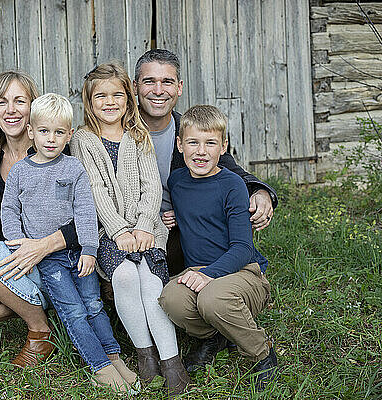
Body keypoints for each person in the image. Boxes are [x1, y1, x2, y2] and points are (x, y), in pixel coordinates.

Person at [1, 93, 136, 392]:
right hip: (47, 259)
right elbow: (9, 208)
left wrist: (89, 249)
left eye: (59, 132)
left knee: (94, 305)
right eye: (44, 131)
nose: (51, 139)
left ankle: (114, 357)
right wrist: (16, 240)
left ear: (69, 135)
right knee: (73, 310)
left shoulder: (74, 168)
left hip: (77, 253)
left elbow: (86, 211)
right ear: (31, 132)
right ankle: (99, 367)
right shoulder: (20, 172)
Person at [70, 62, 190, 397]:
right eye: (100, 96)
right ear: (89, 102)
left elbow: (152, 186)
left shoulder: (138, 135)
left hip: (149, 226)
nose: (109, 102)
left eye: (116, 95)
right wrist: (120, 229)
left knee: (150, 279)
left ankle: (171, 360)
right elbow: (94, 190)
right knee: (124, 277)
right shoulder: (84, 139)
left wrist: (142, 226)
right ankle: (145, 355)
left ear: (128, 97)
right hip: (108, 230)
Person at [158, 105, 277, 391]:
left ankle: (262, 353)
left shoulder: (233, 185)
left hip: (242, 271)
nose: (201, 151)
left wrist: (209, 274)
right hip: (200, 269)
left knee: (212, 299)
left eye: (210, 143)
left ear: (223, 146)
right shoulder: (177, 181)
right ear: (179, 145)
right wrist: (171, 216)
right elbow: (195, 211)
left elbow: (242, 248)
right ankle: (215, 334)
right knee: (170, 299)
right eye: (193, 143)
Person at [132, 49, 278, 272]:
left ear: (179, 87)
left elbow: (230, 170)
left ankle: (234, 266)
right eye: (149, 81)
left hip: (181, 232)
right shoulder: (119, 134)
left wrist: (260, 191)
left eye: (167, 82)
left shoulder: (192, 132)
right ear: (135, 87)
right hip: (133, 228)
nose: (158, 90)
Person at [0, 71, 82, 368]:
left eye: (19, 101)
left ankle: (39, 330)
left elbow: (89, 216)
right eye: (2, 102)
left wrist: (43, 246)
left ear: (33, 107)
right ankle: (43, 316)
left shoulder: (59, 149)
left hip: (64, 258)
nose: (10, 110)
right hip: (20, 261)